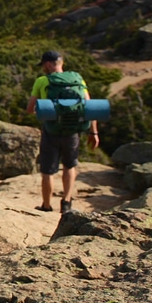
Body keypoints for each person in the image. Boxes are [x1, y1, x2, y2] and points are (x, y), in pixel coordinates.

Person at [26, 50, 100, 214]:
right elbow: (89, 107)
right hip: (73, 131)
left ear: (47, 64)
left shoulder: (42, 81)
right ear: (61, 63)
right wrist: (93, 133)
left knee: (47, 170)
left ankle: (46, 205)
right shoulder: (77, 79)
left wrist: (45, 110)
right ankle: (66, 203)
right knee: (69, 166)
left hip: (51, 130)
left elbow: (30, 109)